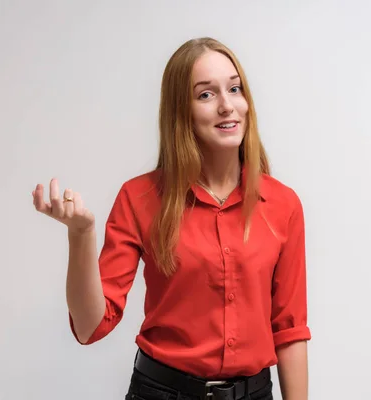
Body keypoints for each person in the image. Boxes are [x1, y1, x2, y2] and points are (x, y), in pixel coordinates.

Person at [32, 37, 311, 400]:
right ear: (182, 112)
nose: (227, 106)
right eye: (206, 95)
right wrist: (81, 235)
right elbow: (89, 327)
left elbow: (289, 330)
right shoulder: (140, 198)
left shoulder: (283, 204)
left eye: (234, 88)